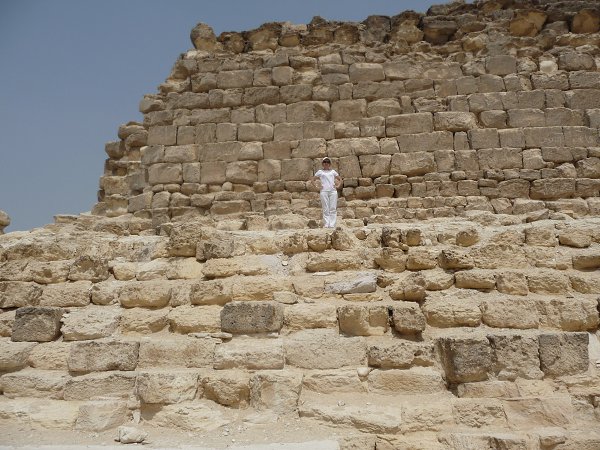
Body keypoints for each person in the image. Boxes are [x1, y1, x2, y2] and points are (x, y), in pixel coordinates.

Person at [311, 157, 342, 228]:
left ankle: (332, 224)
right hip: (324, 191)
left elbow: (340, 179)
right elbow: (312, 180)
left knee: (333, 208)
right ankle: (326, 224)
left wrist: (337, 186)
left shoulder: (333, 171)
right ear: (322, 163)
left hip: (333, 191)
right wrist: (317, 187)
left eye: (328, 162)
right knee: (325, 208)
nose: (326, 163)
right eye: (325, 162)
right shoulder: (320, 172)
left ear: (330, 164)